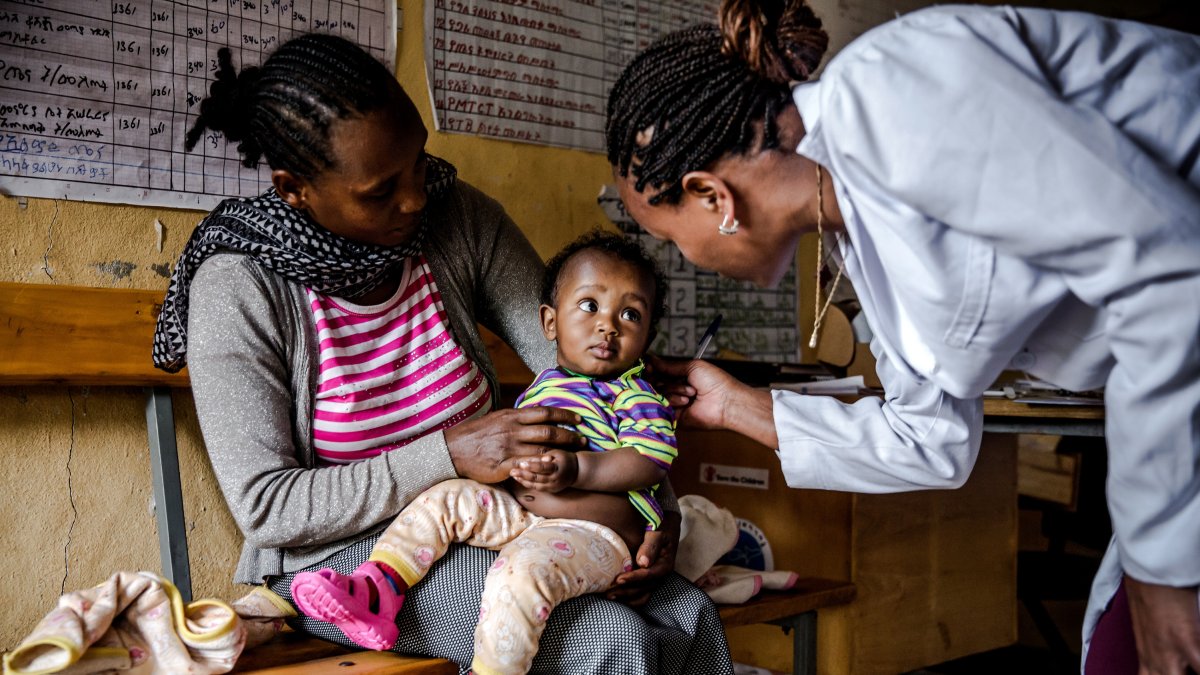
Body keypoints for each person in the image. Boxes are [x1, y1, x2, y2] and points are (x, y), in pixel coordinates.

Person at [604, 1, 1200, 674]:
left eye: (668, 238)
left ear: (713, 196)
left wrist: (1162, 573)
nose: (682, 259)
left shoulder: (894, 97)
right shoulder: (853, 226)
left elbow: (1171, 273)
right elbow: (935, 443)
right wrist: (735, 406)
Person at [153, 33, 732, 674]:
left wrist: (659, 514)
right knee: (605, 638)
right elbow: (268, 507)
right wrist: (452, 453)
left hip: (501, 514)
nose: (416, 199)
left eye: (419, 165)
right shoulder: (241, 285)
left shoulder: (456, 219)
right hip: (347, 561)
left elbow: (587, 373)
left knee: (682, 605)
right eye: (380, 191)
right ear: (295, 189)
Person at [288, 231, 679, 674]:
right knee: (445, 497)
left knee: (518, 575)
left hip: (593, 534)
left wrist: (577, 468)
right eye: (589, 306)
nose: (608, 325)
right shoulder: (549, 380)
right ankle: (378, 587)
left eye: (630, 314)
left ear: (646, 338)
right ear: (550, 323)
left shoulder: (634, 394)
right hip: (521, 514)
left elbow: (649, 460)